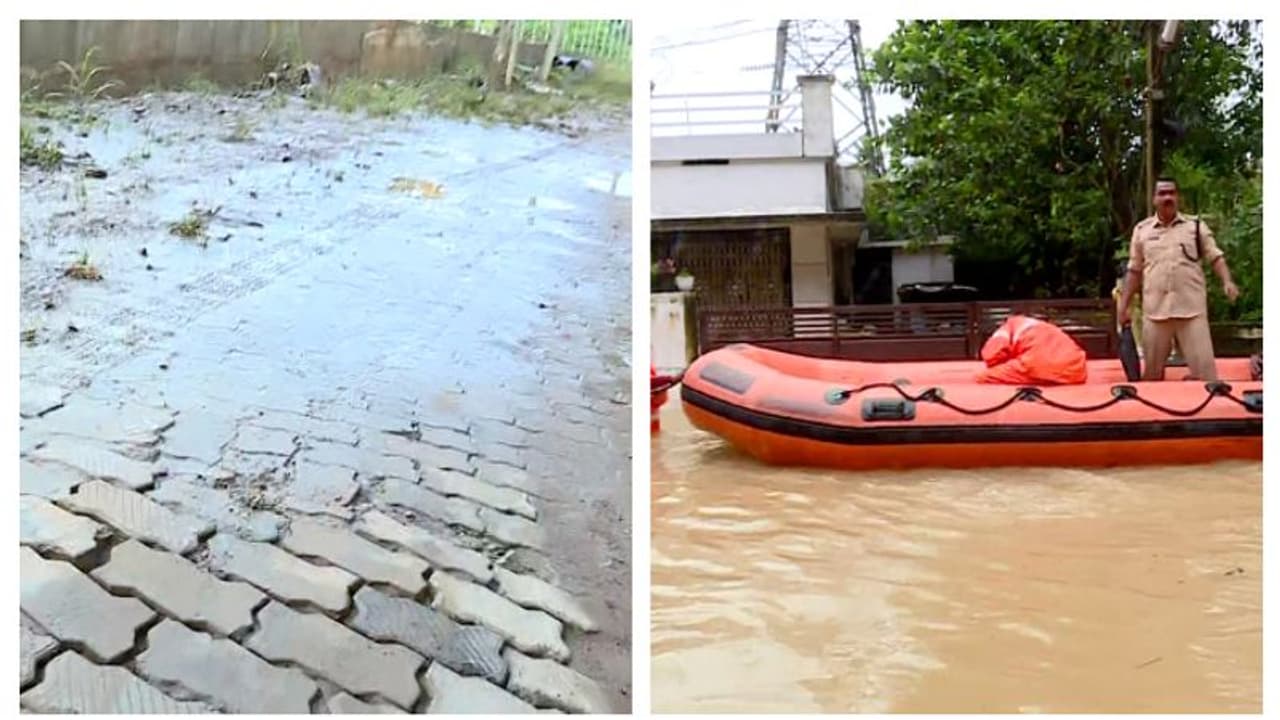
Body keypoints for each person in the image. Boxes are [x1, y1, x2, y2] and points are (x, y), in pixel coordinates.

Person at [1117, 177, 1239, 381]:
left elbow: (1215, 256)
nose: (1167, 197)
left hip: (1191, 310)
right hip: (1156, 312)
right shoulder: (1142, 231)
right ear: (1154, 199)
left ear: (1178, 197)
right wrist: (1124, 305)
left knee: (1206, 376)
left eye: (1171, 193)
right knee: (1151, 376)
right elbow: (1134, 270)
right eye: (1162, 193)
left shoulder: (1195, 227)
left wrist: (1227, 281)